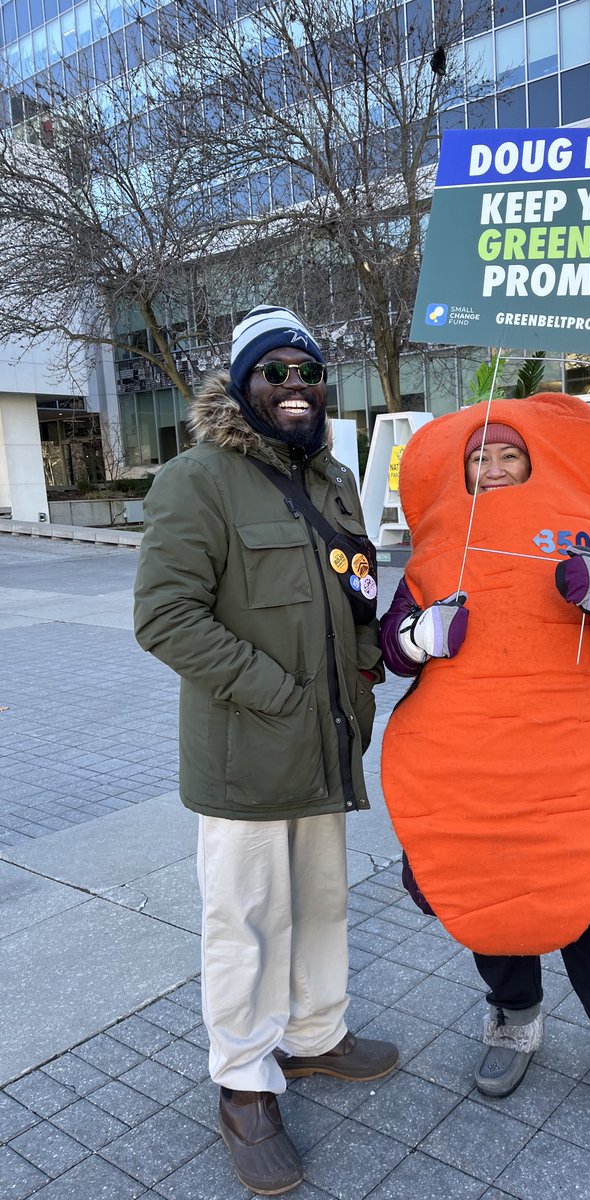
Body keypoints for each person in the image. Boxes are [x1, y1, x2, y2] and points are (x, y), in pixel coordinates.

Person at [133, 306, 398, 1196]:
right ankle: (244, 1081)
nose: (294, 386)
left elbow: (357, 590)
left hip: (328, 747)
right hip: (250, 749)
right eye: (274, 372)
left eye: (308, 372)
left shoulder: (335, 481)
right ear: (242, 385)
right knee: (245, 920)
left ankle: (316, 1034)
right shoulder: (196, 479)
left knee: (322, 901)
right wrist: (279, 695)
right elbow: (165, 618)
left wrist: (366, 668)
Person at [379, 396, 590, 1123]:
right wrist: (418, 636)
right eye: (482, 456)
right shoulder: (438, 550)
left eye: (511, 454)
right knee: (490, 896)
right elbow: (391, 648)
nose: (498, 467)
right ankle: (514, 1019)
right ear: (463, 469)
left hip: (574, 765)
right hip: (474, 767)